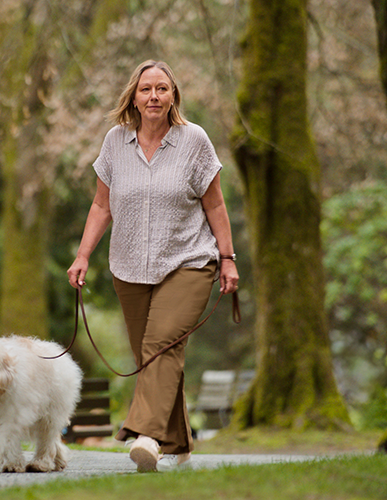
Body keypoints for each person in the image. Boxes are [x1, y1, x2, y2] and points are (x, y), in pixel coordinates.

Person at [67, 60, 239, 472]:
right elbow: (101, 205)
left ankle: (146, 436)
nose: (154, 96)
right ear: (134, 97)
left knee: (160, 345)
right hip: (129, 267)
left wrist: (227, 258)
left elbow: (215, 203)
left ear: (173, 95)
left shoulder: (194, 140)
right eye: (146, 89)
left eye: (162, 89)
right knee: (156, 355)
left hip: (189, 260)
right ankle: (180, 443)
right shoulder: (115, 141)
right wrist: (83, 254)